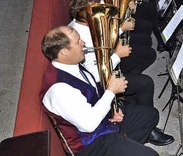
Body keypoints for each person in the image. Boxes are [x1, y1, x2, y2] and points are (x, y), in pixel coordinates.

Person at [67, 0, 174, 145]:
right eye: (99, 9)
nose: (103, 11)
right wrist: (117, 54)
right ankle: (147, 128)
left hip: (109, 66)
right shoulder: (82, 36)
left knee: (144, 57)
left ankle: (132, 106)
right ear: (86, 14)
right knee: (145, 83)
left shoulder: (82, 25)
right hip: (100, 82)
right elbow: (95, 75)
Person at [40, 26, 161, 156]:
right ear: (64, 52)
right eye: (78, 42)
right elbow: (88, 125)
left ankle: (124, 144)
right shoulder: (59, 90)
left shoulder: (71, 64)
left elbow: (92, 95)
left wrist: (111, 112)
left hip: (102, 123)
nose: (83, 43)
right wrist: (111, 92)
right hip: (91, 144)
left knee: (150, 115)